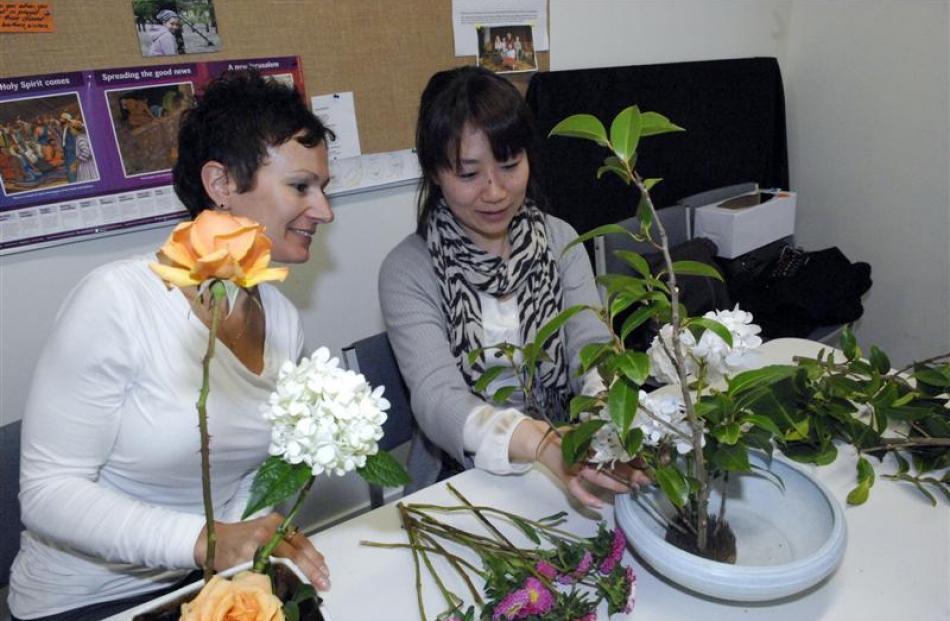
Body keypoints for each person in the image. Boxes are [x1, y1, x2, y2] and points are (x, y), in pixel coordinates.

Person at [8, 70, 335, 621]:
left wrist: (245, 545)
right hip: (87, 601)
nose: (323, 210)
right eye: (301, 187)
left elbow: (248, 477)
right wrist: (206, 541)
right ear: (222, 183)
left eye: (325, 189)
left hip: (204, 584)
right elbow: (47, 493)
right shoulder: (119, 301)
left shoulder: (280, 319)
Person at [379, 66, 648, 510]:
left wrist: (605, 414)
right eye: (469, 175)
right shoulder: (409, 269)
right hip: (462, 478)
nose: (495, 191)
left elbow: (591, 344)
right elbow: (436, 397)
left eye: (509, 165)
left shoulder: (560, 240)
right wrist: (539, 442)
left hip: (575, 452)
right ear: (434, 172)